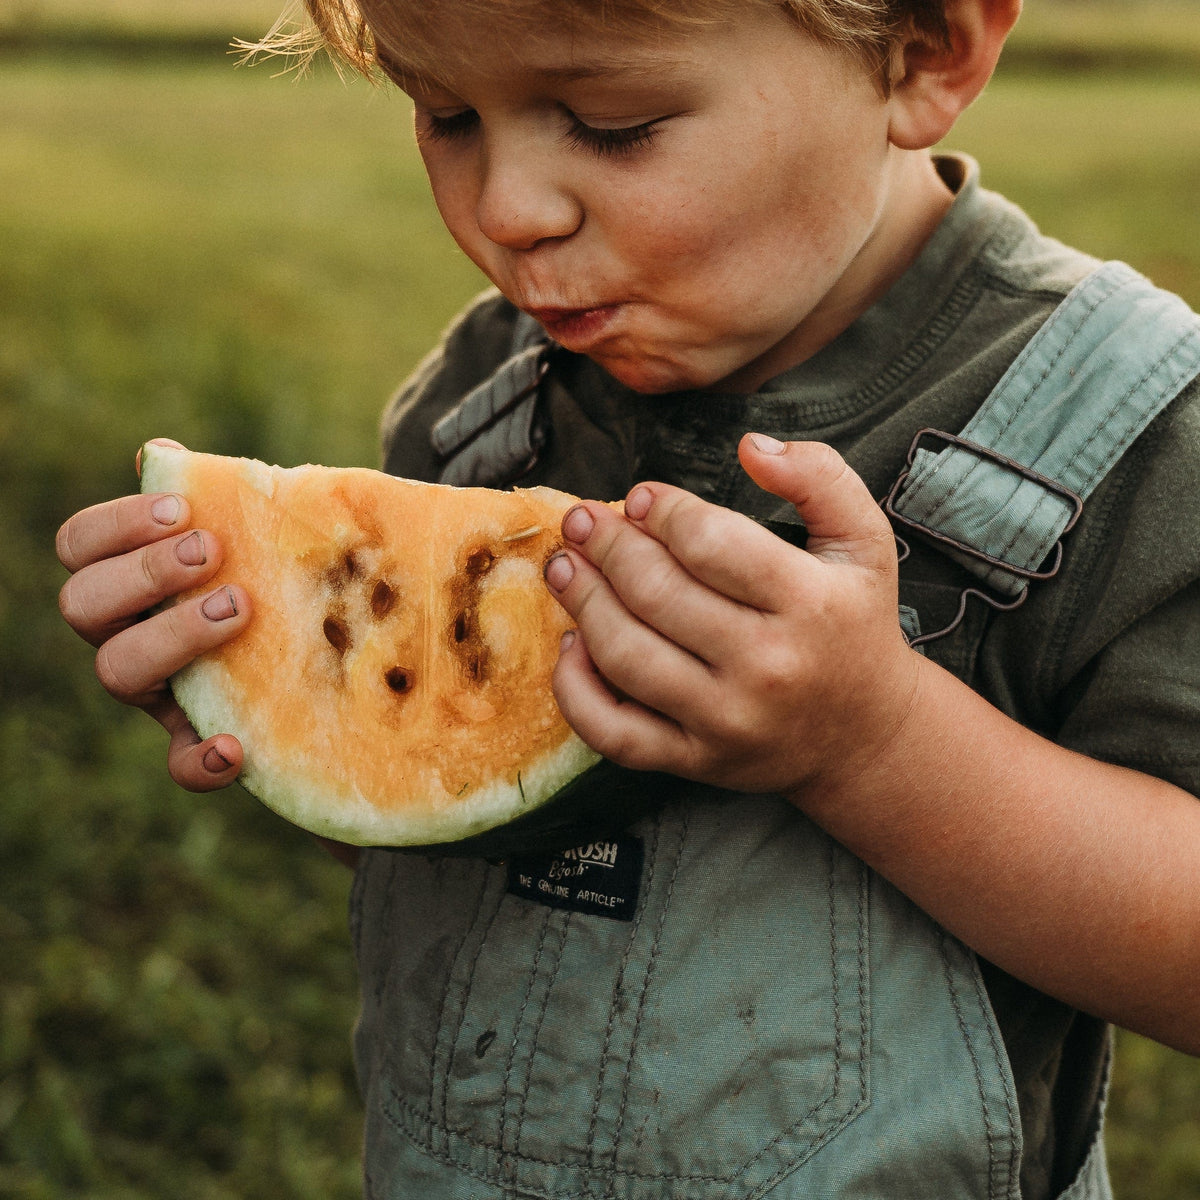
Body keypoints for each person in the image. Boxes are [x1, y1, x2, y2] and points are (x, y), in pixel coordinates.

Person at [55, 0, 1200, 1196]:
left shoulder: (1129, 442)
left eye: (614, 124)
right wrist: (296, 695)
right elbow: (473, 852)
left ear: (925, 51)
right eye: (446, 114)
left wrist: (872, 743)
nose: (507, 210)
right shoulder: (481, 410)